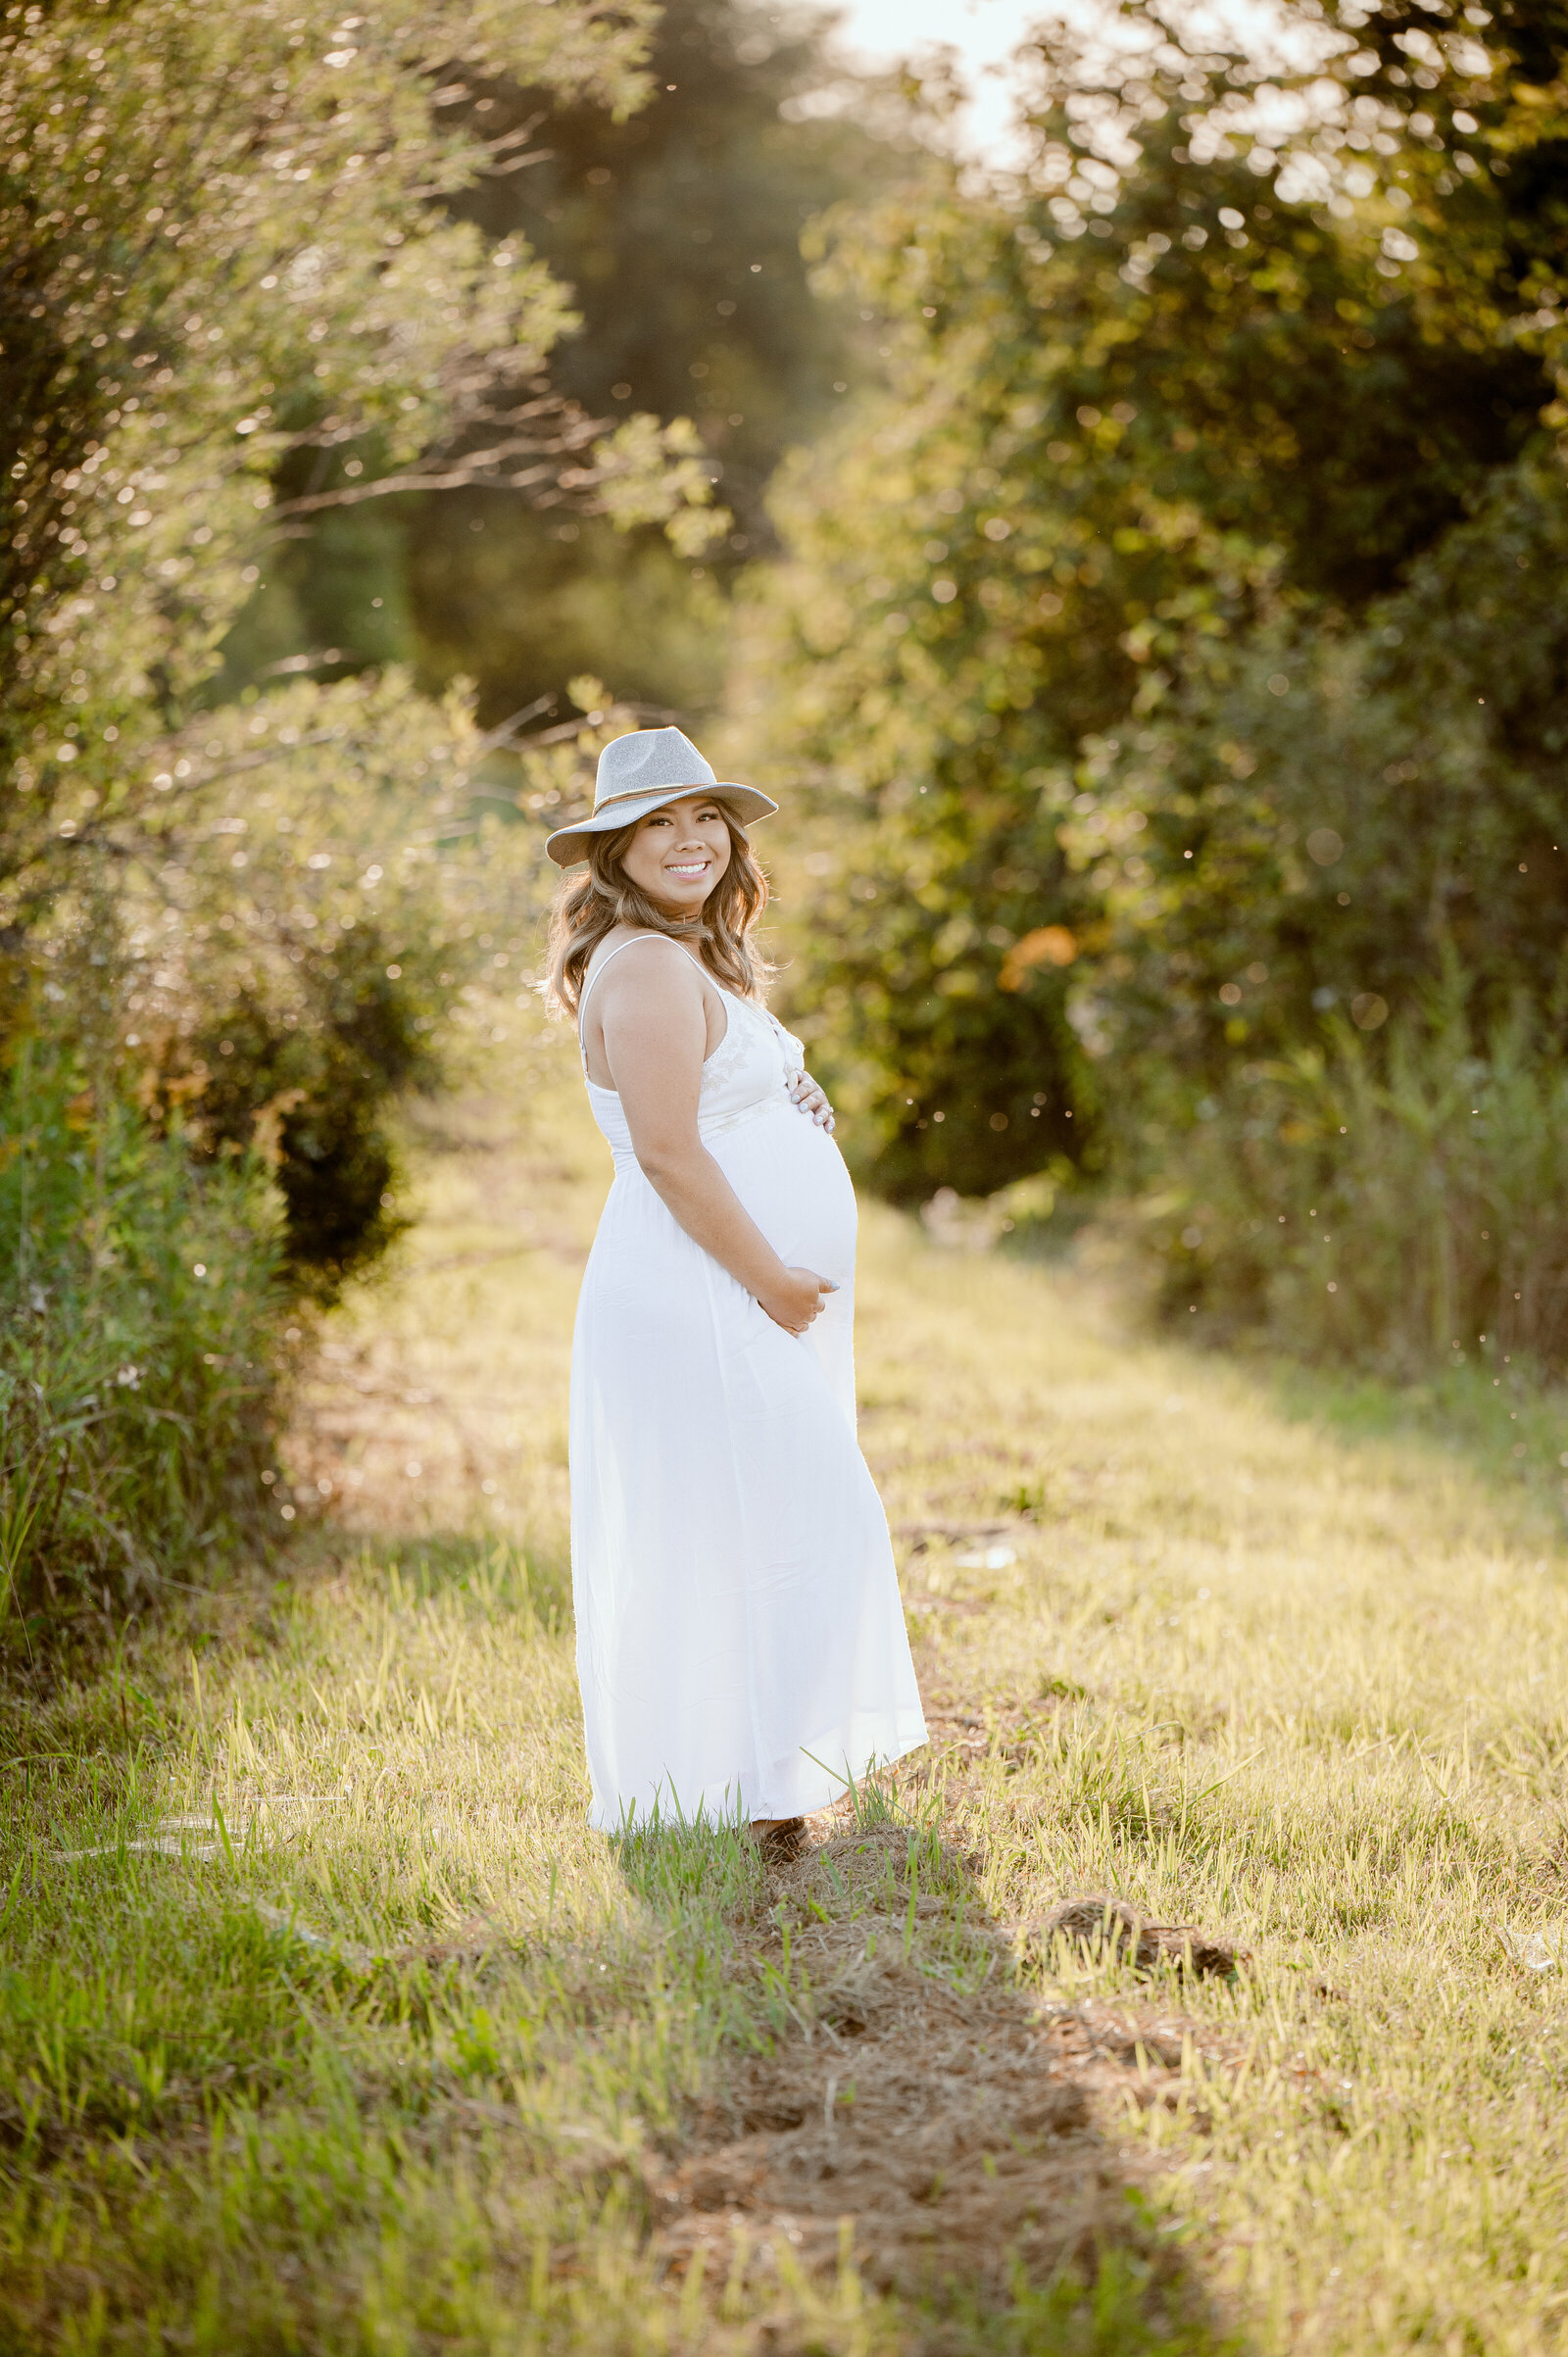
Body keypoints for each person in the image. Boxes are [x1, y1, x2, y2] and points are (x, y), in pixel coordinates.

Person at [543, 725, 926, 1854]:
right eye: (655, 821)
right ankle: (754, 1785)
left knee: (752, 1518)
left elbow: (715, 1100)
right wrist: (769, 1278)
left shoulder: (682, 956)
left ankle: (759, 1783)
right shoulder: (652, 963)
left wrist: (786, 1099)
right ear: (612, 849)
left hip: (722, 1289)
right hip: (702, 1290)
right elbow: (666, 1150)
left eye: (702, 814)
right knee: (803, 1513)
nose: (687, 838)